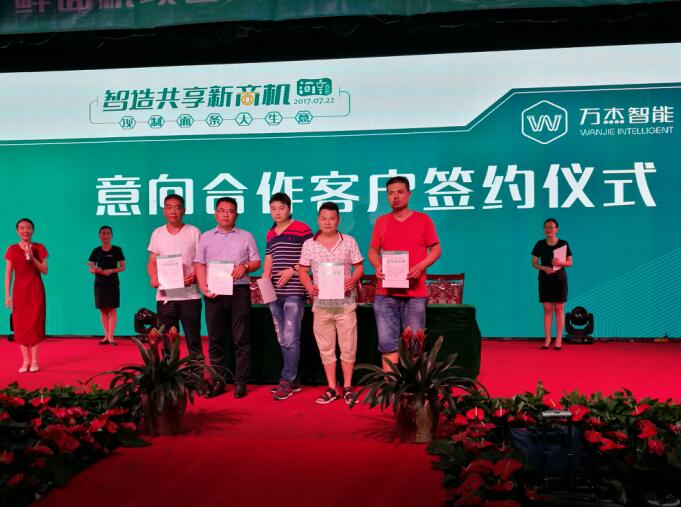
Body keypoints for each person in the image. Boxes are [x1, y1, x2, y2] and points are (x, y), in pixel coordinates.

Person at [367, 176, 441, 370]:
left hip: (414, 294)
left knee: (415, 346)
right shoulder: (381, 222)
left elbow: (436, 249)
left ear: (409, 194)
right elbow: (373, 250)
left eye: (400, 192)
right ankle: (390, 385)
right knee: (387, 344)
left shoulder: (423, 220)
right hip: (385, 294)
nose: (395, 197)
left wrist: (420, 266)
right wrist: (377, 265)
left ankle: (413, 386)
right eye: (391, 193)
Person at [298, 202, 364, 405]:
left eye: (332, 218)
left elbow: (359, 267)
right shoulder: (309, 244)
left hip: (345, 305)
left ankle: (347, 387)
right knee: (326, 349)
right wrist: (308, 285)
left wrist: (353, 280)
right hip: (321, 306)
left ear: (338, 220)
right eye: (323, 218)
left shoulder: (349, 241)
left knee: (348, 347)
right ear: (318, 220)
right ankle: (332, 388)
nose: (327, 222)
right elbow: (302, 271)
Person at [195, 197, 261, 399]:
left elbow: (256, 261)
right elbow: (200, 264)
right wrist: (203, 286)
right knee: (215, 339)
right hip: (214, 292)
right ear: (215, 213)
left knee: (241, 338)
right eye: (222, 210)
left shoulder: (246, 236)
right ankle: (218, 381)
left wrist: (245, 267)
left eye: (230, 211)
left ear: (236, 215)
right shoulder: (206, 237)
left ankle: (241, 382)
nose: (226, 214)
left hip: (238, 291)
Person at [262, 193, 313, 401]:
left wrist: (292, 270)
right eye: (273, 208)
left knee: (291, 337)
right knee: (283, 338)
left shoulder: (302, 229)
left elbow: (311, 255)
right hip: (274, 293)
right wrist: (265, 277)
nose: (277, 212)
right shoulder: (270, 233)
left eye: (281, 208)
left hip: (294, 291)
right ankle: (294, 379)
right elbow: (269, 258)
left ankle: (286, 379)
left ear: (289, 209)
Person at [147, 194, 203, 357]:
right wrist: (153, 277)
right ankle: (170, 373)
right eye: (169, 207)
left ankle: (195, 372)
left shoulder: (193, 232)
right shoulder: (157, 233)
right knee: (168, 343)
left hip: (190, 296)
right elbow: (151, 262)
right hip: (165, 297)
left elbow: (201, 262)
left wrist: (195, 275)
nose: (173, 211)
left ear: (183, 210)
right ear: (163, 210)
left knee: (193, 340)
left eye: (177, 207)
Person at [4, 218, 48, 373]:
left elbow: (44, 270)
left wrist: (32, 256)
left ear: (33, 230)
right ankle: (25, 361)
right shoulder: (12, 249)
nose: (25, 231)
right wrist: (7, 295)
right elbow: (8, 274)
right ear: (17, 231)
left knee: (34, 325)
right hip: (19, 292)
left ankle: (35, 361)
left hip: (35, 290)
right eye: (22, 228)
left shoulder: (39, 247)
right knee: (20, 325)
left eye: (28, 228)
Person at [531, 218, 573, 350]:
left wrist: (560, 263)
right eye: (546, 227)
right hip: (545, 279)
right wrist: (544, 268)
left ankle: (559, 340)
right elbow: (534, 262)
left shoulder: (563, 243)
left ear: (557, 229)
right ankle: (548, 339)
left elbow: (570, 262)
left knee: (559, 309)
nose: (548, 229)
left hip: (560, 280)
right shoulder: (540, 244)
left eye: (551, 227)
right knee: (547, 309)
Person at [88, 226, 125, 345]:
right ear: (99, 236)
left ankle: (111, 337)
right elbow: (90, 267)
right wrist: (96, 269)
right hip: (100, 283)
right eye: (103, 233)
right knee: (103, 309)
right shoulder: (96, 250)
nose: (106, 236)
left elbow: (122, 267)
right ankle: (106, 336)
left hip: (112, 282)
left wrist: (111, 270)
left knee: (112, 309)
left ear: (111, 236)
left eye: (108, 233)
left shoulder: (117, 250)